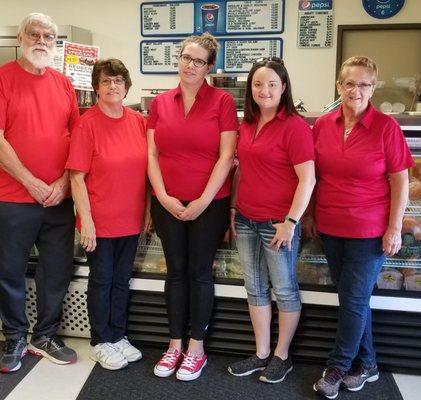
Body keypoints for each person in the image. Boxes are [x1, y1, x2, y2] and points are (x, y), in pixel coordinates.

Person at [309, 56, 413, 399]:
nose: (356, 90)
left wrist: (394, 228)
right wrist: (310, 215)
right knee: (353, 299)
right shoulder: (323, 125)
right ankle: (367, 364)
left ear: (373, 88)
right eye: (349, 83)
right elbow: (314, 177)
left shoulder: (386, 127)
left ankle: (337, 366)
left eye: (364, 84)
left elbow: (401, 183)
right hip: (330, 225)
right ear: (339, 86)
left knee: (352, 301)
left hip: (369, 230)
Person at [0, 12, 80, 373]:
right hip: (13, 198)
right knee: (10, 271)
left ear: (56, 43)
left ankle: (46, 335)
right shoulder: (0, 79)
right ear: (20, 39)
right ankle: (15, 338)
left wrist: (63, 183)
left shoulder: (64, 83)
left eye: (48, 36)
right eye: (34, 34)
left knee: (55, 271)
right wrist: (32, 182)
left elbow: (78, 141)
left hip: (57, 199)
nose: (41, 41)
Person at [147, 33, 238, 381]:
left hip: (209, 203)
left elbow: (227, 155)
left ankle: (196, 348)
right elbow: (152, 153)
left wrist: (201, 201)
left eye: (198, 61)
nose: (189, 65)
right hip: (167, 202)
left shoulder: (222, 101)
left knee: (200, 272)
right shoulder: (161, 102)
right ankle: (174, 345)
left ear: (209, 67)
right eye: (185, 57)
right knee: (175, 271)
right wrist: (163, 195)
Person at [227, 57, 315, 384]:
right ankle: (261, 352)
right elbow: (241, 170)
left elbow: (308, 179)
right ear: (250, 89)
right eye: (258, 84)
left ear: (284, 88)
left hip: (278, 224)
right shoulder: (246, 124)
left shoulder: (295, 127)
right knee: (254, 287)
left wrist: (291, 222)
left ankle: (281, 356)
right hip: (248, 219)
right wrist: (235, 208)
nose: (265, 90)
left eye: (272, 84)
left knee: (284, 290)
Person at [68, 59, 147, 370]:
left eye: (118, 81)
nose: (113, 86)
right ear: (96, 88)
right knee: (101, 280)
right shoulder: (86, 125)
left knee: (121, 280)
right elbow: (76, 177)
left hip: (131, 219)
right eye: (106, 81)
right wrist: (86, 220)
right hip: (98, 221)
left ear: (126, 86)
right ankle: (100, 340)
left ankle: (117, 335)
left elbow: (147, 169)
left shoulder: (138, 121)